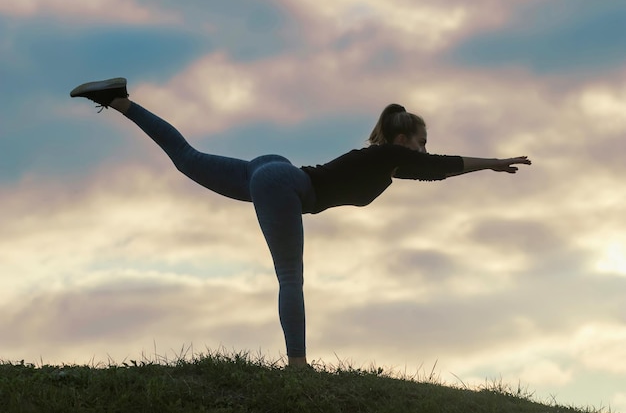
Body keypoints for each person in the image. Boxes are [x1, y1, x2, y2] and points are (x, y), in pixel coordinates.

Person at [70, 77, 531, 367]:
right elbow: (441, 167)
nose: (426, 149)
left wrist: (483, 165)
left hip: (273, 171)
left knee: (187, 158)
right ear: (403, 138)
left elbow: (431, 171)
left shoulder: (383, 160)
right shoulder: (389, 153)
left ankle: (119, 100)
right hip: (283, 184)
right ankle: (297, 365)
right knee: (290, 276)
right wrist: (492, 162)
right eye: (423, 140)